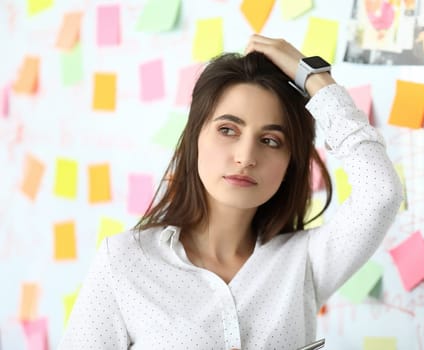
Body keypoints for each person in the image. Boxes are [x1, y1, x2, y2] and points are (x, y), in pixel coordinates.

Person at [58, 34, 403, 349]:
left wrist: (312, 76)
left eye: (270, 140)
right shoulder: (126, 261)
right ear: (195, 138)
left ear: (289, 164)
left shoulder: (304, 263)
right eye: (227, 130)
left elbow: (382, 193)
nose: (246, 157)